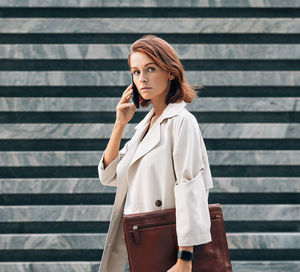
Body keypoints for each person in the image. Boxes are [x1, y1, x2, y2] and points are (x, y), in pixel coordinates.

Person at [97, 35, 214, 272]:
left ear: (170, 72)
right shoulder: (145, 126)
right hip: (140, 242)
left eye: (150, 69)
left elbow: (190, 189)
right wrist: (120, 124)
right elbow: (109, 176)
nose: (142, 78)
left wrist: (185, 259)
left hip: (168, 246)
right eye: (136, 72)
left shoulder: (182, 121)